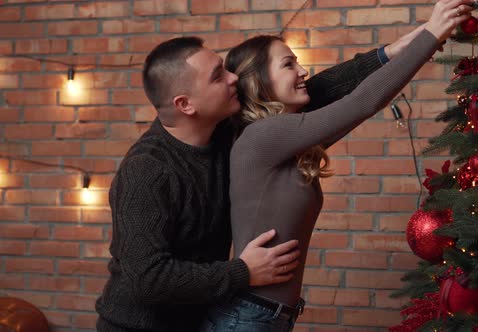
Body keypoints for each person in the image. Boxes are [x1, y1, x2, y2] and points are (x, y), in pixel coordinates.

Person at [94, 14, 422, 331]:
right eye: (217, 76)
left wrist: (387, 54)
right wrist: (242, 272)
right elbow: (147, 279)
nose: (234, 77)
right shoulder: (148, 170)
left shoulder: (225, 134)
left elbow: (317, 93)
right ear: (185, 105)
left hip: (203, 318)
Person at [202, 0, 474, 331]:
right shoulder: (262, 136)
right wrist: (430, 33)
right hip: (247, 317)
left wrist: (416, 40)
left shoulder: (284, 141)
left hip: (264, 316)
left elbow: (339, 90)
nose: (302, 72)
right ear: (258, 81)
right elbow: (361, 102)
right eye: (289, 65)